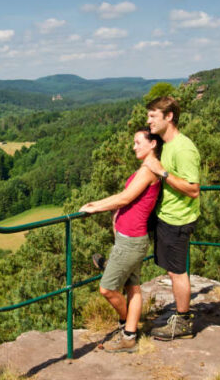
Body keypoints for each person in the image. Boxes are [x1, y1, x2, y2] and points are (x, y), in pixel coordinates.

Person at [79, 127, 163, 353]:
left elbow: (125, 198)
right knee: (133, 288)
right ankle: (129, 334)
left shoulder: (148, 170)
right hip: (134, 239)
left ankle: (128, 327)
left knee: (106, 289)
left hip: (131, 240)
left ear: (152, 144)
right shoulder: (148, 168)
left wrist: (94, 206)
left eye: (138, 142)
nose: (133, 146)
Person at [143, 96, 200, 340]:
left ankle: (184, 322)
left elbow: (193, 188)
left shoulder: (183, 148)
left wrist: (161, 171)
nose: (148, 121)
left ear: (169, 117)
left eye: (153, 116)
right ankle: (180, 314)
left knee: (178, 272)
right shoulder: (167, 144)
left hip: (178, 220)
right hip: (167, 217)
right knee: (172, 270)